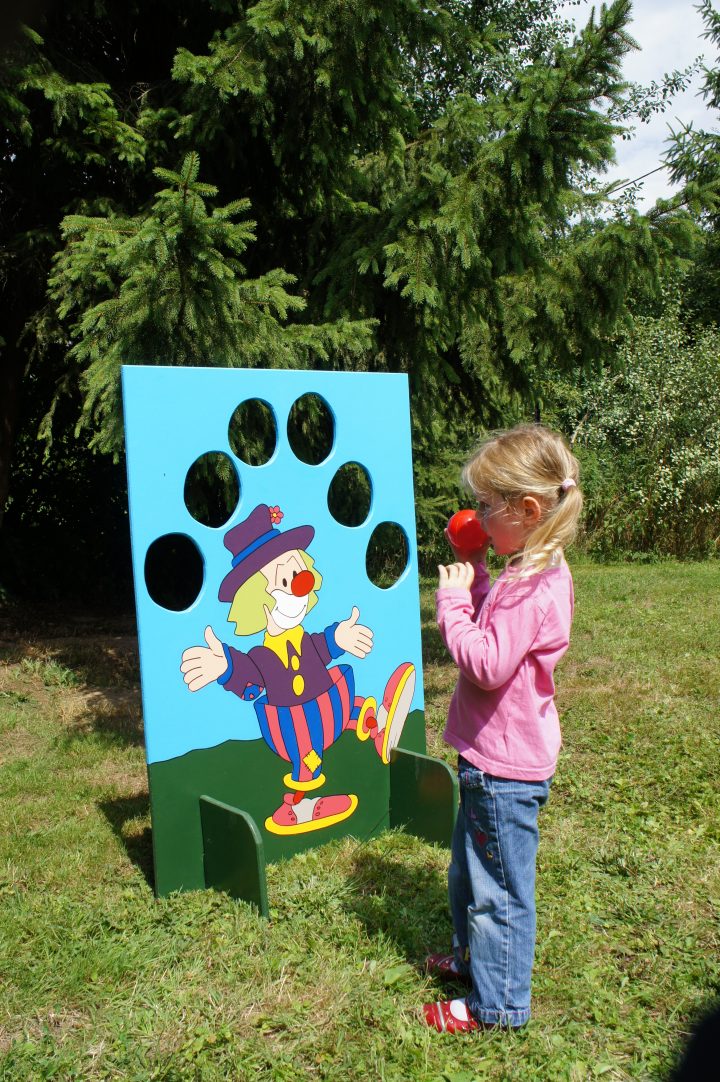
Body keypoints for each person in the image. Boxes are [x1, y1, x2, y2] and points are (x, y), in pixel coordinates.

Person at [422, 424, 583, 1034]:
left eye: (488, 507)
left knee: (500, 893)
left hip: (503, 770)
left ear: (529, 509)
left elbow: (487, 663)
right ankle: (472, 964)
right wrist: (477, 570)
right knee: (468, 872)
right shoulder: (527, 569)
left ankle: (498, 1007)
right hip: (490, 760)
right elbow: (501, 628)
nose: (479, 516)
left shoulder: (534, 585)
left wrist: (452, 603)